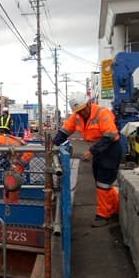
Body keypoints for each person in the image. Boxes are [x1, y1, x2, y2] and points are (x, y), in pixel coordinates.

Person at [52, 97, 122, 227]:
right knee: (102, 184)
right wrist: (53, 144)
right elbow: (65, 131)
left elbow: (110, 136)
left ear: (89, 104)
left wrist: (92, 152)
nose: (82, 113)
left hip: (110, 150)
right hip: (98, 151)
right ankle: (116, 208)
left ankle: (103, 215)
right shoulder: (76, 116)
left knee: (103, 183)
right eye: (78, 111)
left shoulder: (102, 113)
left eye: (83, 109)